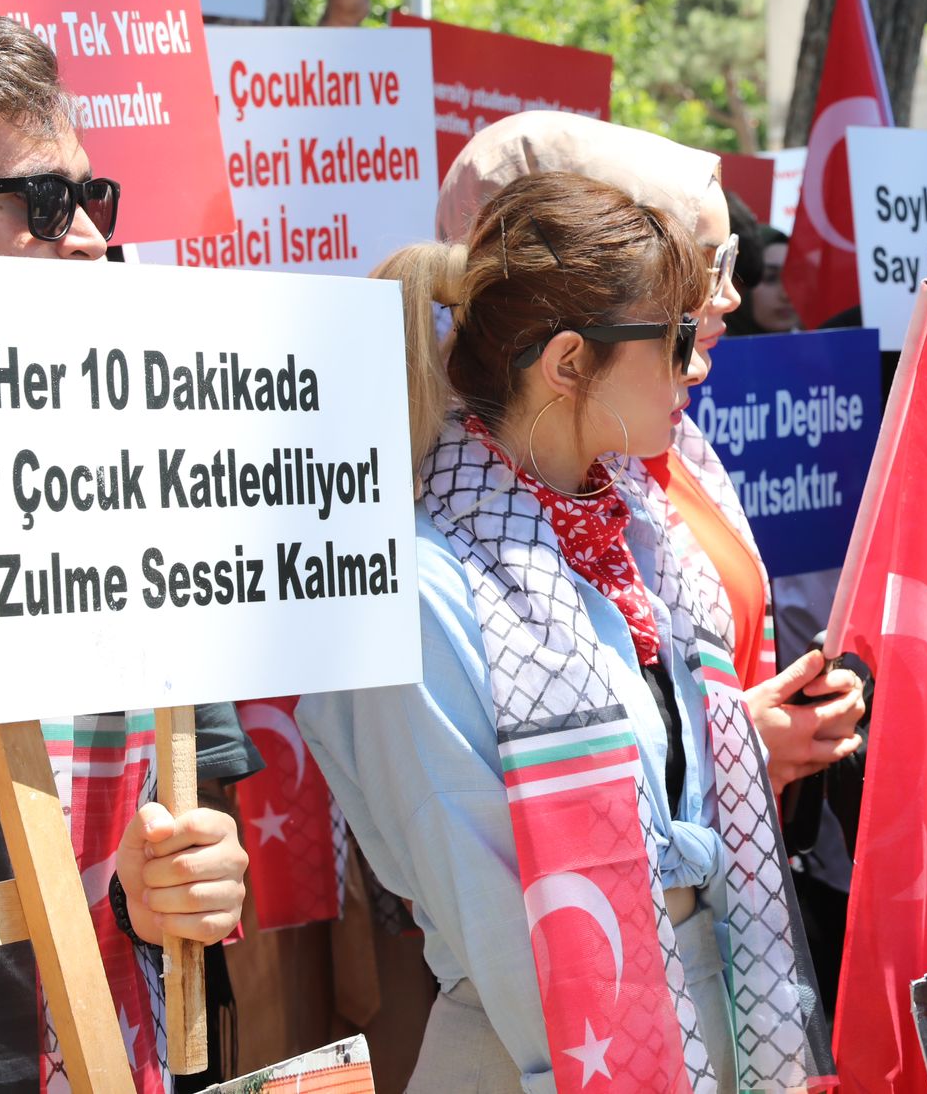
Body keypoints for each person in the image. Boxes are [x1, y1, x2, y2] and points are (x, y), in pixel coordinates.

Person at [302, 171, 831, 1089]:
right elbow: (503, 931)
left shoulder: (647, 540)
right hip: (545, 1061)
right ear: (568, 363)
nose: (698, 364)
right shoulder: (422, 592)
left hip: (708, 1038)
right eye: (673, 338)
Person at [0, 16, 254, 1093]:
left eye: (93, 197)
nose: (85, 235)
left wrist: (183, 879)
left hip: (92, 1053)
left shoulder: (138, 487)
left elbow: (186, 816)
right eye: (40, 202)